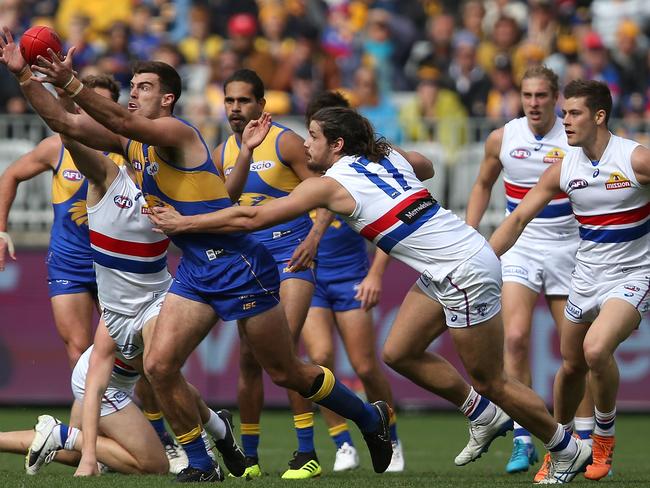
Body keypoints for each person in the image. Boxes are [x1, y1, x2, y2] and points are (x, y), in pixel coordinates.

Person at [0, 27, 393, 482]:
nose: (134, 95)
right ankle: (202, 464)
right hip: (195, 269)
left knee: (286, 372)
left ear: (167, 99)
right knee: (159, 365)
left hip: (239, 264)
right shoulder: (136, 145)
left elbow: (121, 122)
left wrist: (70, 82)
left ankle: (368, 419)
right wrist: (26, 77)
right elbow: (67, 124)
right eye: (132, 87)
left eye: (144, 88)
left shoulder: (177, 132)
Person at [149, 106, 592, 484]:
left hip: (461, 271)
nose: (306, 146)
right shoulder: (385, 157)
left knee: (492, 379)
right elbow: (428, 166)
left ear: (337, 146)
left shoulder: (329, 185)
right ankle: (483, 416)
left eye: (315, 138)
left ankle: (565, 447)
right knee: (398, 352)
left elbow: (250, 219)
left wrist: (183, 225)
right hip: (455, 260)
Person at [489, 79, 650, 483]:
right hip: (586, 275)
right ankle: (560, 448)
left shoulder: (635, 159)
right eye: (565, 113)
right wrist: (480, 260)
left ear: (599, 116)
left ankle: (603, 439)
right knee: (572, 365)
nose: (566, 120)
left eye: (573, 113)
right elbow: (519, 218)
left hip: (633, 274)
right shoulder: (564, 167)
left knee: (596, 350)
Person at [466, 65, 595, 475]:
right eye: (527, 96)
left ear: (556, 98)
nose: (534, 103)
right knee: (516, 338)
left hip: (568, 247)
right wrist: (471, 235)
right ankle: (523, 437)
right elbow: (483, 183)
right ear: (519, 98)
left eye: (542, 96)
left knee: (575, 354)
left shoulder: (573, 137)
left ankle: (587, 441)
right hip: (519, 246)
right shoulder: (503, 137)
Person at [213, 69, 332, 479]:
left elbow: (328, 190)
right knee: (248, 359)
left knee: (283, 350)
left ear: (262, 105)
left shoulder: (285, 141)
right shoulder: (222, 151)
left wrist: (315, 237)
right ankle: (249, 457)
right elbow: (220, 204)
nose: (235, 108)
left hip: (292, 255)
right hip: (249, 262)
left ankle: (306, 452)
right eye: (230, 101)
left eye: (244, 100)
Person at [299, 90, 404, 473]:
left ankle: (390, 436)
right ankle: (342, 442)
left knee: (364, 365)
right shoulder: (302, 165)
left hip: (351, 277)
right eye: (308, 131)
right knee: (320, 360)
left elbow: (393, 222)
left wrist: (376, 274)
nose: (309, 142)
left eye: (315, 134)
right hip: (312, 280)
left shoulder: (357, 172)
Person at [0, 74, 122, 368]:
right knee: (78, 351)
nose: (92, 111)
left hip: (115, 262)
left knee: (130, 353)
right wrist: (1, 232)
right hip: (69, 260)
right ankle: (92, 415)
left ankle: (151, 416)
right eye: (87, 104)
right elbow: (11, 175)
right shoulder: (56, 148)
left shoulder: (127, 150)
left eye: (101, 105)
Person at [0, 345, 168, 475]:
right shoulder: (160, 304)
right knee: (154, 466)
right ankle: (60, 434)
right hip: (103, 379)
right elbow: (155, 368)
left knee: (74, 453)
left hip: (95, 369)